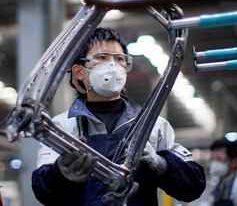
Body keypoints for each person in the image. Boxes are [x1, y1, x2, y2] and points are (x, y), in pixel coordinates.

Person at [31, 27, 206, 206]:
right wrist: (61, 174)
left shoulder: (152, 125)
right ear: (79, 72)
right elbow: (42, 190)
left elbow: (193, 186)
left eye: (120, 59)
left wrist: (160, 163)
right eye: (102, 58)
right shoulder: (61, 127)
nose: (113, 65)